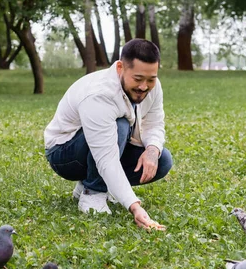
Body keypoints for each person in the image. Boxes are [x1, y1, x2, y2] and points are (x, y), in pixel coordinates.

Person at [44, 39, 173, 229]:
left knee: (163, 160)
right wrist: (134, 207)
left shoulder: (153, 87)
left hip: (104, 146)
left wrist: (152, 151)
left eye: (151, 79)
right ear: (120, 68)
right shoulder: (100, 95)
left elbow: (154, 123)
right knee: (119, 125)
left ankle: (88, 185)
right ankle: (93, 193)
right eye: (137, 79)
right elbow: (106, 159)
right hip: (64, 154)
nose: (144, 87)